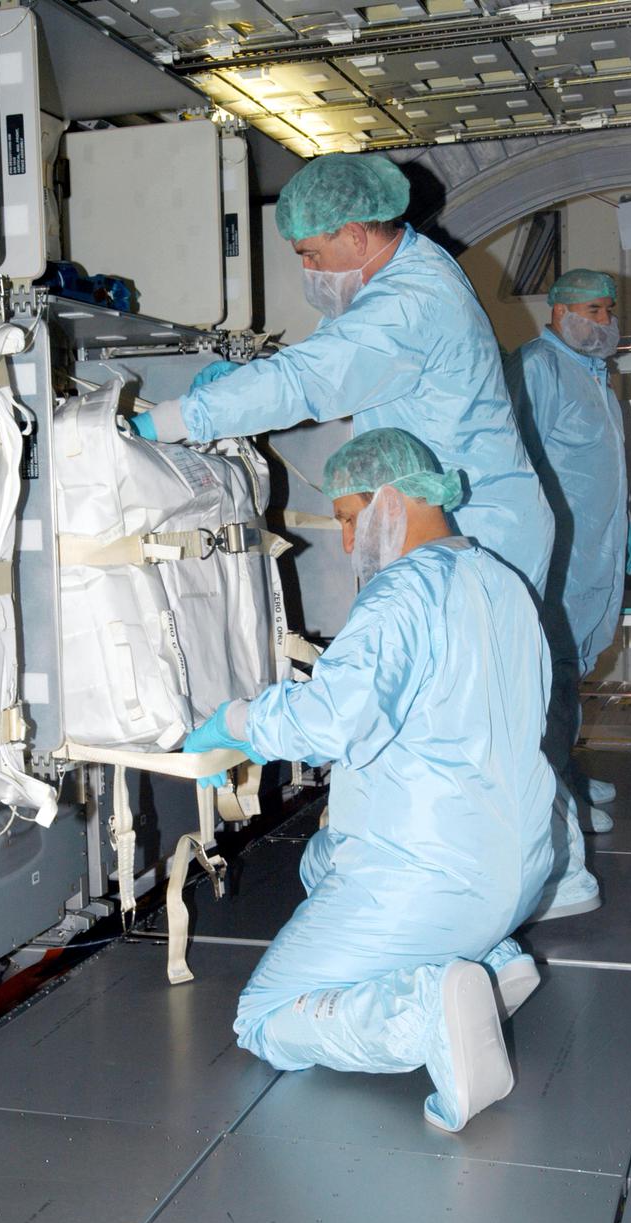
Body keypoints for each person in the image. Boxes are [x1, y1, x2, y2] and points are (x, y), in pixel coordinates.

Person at [183, 428, 555, 1133]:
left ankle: (423, 1016)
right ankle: (491, 961)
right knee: (322, 861)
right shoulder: (501, 583)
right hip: (521, 864)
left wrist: (238, 718)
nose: (348, 544)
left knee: (261, 1018)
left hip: (430, 875)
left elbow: (331, 721)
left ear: (394, 498)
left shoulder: (401, 595)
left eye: (350, 518)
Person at [131, 151, 555, 600]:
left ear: (353, 235)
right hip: (474, 517)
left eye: (311, 255)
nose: (308, 271)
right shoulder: (408, 269)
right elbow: (335, 361)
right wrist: (247, 379)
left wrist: (172, 420)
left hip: (481, 526)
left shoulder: (410, 300)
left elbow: (310, 380)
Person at [504, 270, 631, 837]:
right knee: (551, 673)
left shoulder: (595, 375)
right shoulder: (539, 368)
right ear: (560, 313)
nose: (607, 323)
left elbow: (604, 464)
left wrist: (626, 522)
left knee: (572, 670)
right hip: (557, 554)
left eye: (610, 311)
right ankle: (550, 797)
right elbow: (519, 465)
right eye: (596, 310)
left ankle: (565, 771)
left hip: (593, 548)